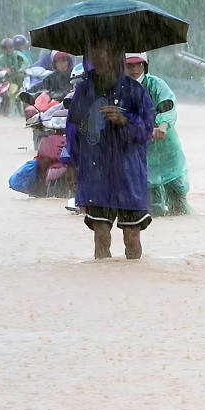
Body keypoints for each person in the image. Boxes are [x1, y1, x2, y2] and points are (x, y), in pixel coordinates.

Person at [66, 37, 155, 260]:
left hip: (128, 172)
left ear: (116, 57)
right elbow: (73, 130)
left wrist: (125, 120)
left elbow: (146, 130)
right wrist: (70, 162)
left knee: (132, 236)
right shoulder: (84, 92)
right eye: (95, 54)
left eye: (104, 53)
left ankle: (132, 289)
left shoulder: (135, 91)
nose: (99, 59)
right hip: (96, 171)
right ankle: (102, 286)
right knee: (101, 235)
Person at [125, 52, 191, 217]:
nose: (134, 70)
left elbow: (167, 105)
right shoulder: (119, 89)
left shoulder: (155, 84)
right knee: (151, 205)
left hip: (165, 147)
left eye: (138, 64)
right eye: (130, 65)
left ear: (145, 65)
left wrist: (162, 126)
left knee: (177, 195)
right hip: (140, 150)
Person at [0, 37, 29, 113]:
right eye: (5, 48)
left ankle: (14, 113)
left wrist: (21, 70)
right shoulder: (2, 58)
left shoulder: (18, 55)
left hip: (23, 83)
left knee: (14, 98)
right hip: (9, 83)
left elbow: (25, 63)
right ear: (2, 49)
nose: (8, 50)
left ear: (13, 48)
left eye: (10, 47)